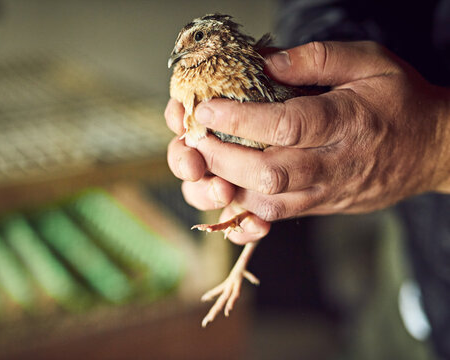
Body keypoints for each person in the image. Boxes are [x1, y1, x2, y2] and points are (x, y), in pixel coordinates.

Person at [165, 1, 450, 358]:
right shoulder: (200, 78)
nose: (182, 54)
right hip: (418, 256)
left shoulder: (237, 73)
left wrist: (435, 142)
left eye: (197, 38)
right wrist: (331, 57)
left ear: (217, 39)